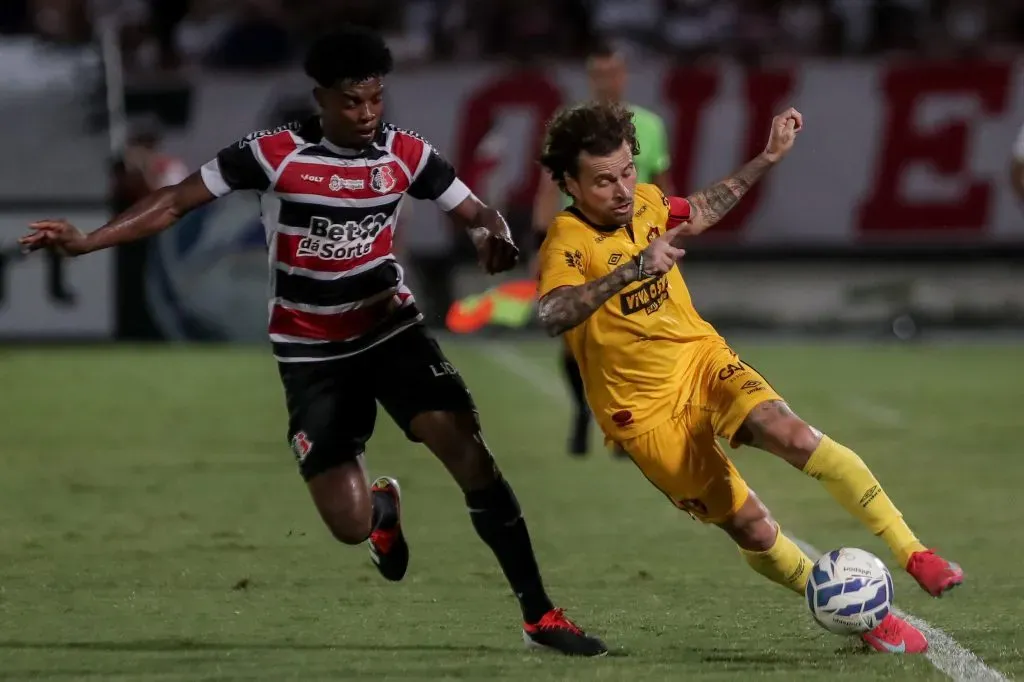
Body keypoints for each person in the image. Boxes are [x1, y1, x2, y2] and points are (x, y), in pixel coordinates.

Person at [20, 26, 606, 658]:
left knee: (469, 455)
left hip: (390, 329)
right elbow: (173, 202)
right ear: (321, 98)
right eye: (351, 102)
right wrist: (89, 241)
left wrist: (493, 236)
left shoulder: (406, 154)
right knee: (348, 525)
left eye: (375, 99)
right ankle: (381, 512)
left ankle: (540, 615)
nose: (366, 113)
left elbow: (476, 211)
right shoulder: (273, 153)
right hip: (311, 352)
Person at [535, 101, 964, 654]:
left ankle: (915, 553)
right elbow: (553, 313)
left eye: (627, 171)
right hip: (642, 414)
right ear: (570, 184)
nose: (622, 190)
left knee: (793, 434)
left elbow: (699, 209)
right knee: (752, 527)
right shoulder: (567, 240)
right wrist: (634, 269)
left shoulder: (645, 202)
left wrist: (768, 157)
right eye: (602, 181)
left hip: (701, 360)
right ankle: (861, 619)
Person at [532, 41, 672, 458]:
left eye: (613, 73)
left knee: (631, 336)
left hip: (633, 246)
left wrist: (668, 236)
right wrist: (540, 245)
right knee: (574, 338)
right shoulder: (569, 128)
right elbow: (547, 188)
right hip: (579, 243)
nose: (606, 82)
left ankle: (624, 424)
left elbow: (663, 186)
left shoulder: (650, 126)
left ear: (624, 76)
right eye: (599, 74)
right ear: (590, 78)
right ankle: (581, 410)